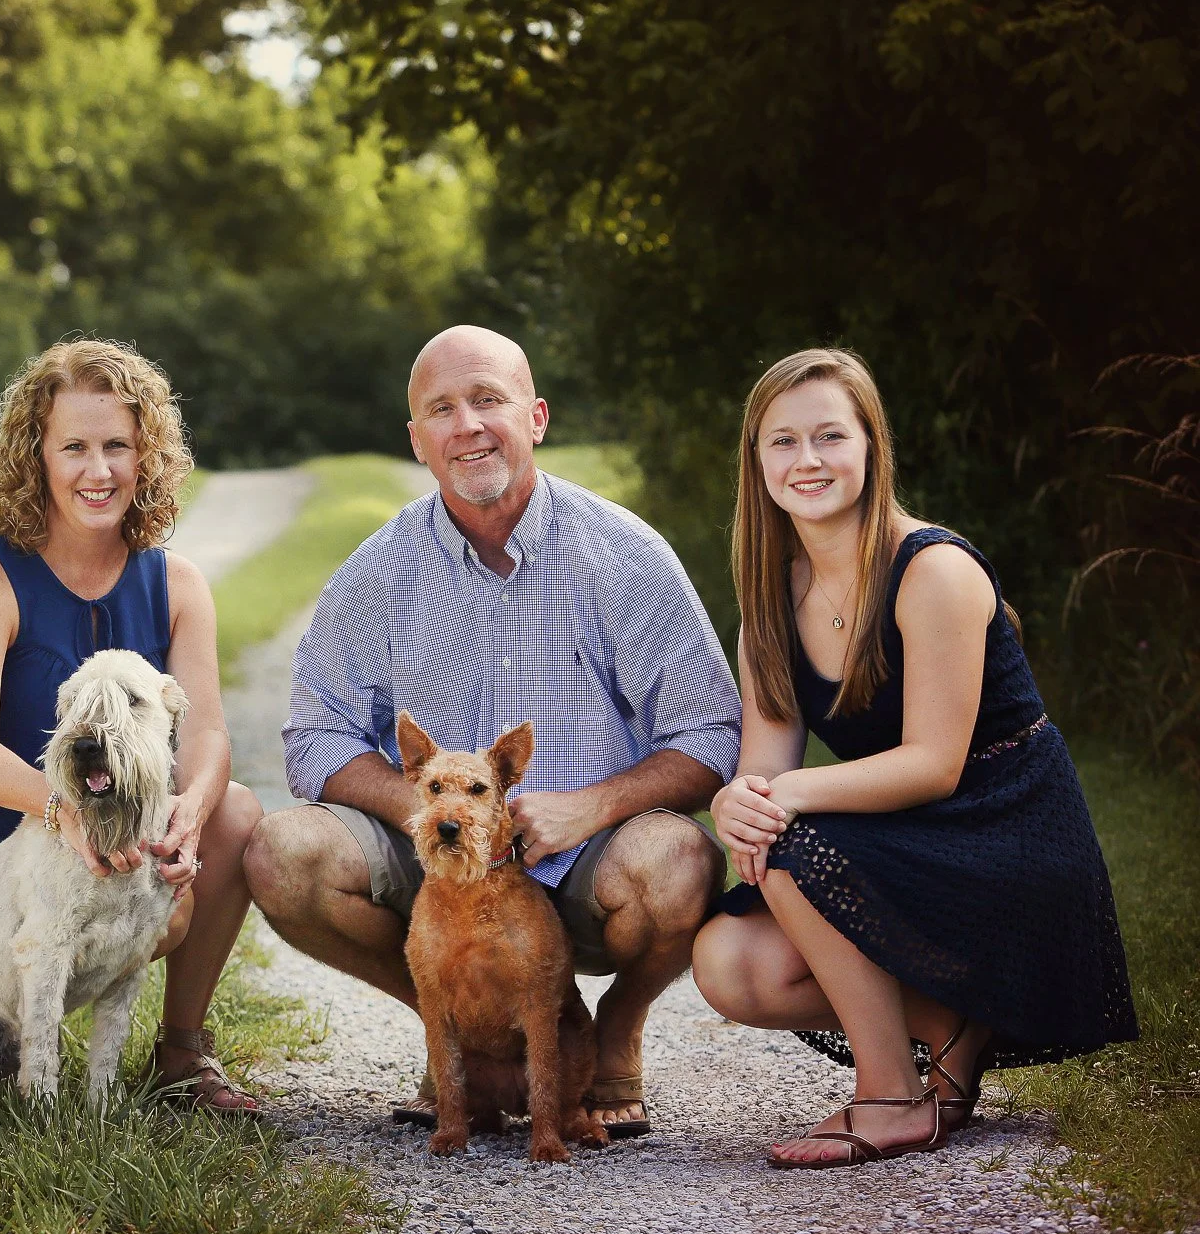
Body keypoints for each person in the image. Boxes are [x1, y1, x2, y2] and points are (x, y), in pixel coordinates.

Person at [244, 324, 741, 1136]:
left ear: (536, 416)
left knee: (680, 863)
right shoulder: (378, 571)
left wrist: (591, 805)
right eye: (441, 408)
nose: (467, 425)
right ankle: (459, 1035)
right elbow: (314, 737)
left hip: (582, 864)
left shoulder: (626, 556)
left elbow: (712, 733)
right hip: (441, 879)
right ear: (417, 440)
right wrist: (428, 802)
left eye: (487, 399)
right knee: (281, 853)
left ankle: (612, 1030)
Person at [690, 347, 1137, 1168]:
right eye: (782, 441)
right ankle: (956, 1020)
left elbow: (934, 762)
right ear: (756, 462)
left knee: (792, 846)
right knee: (729, 960)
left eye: (831, 435)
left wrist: (780, 799)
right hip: (911, 836)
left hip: (1005, 832)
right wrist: (735, 804)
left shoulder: (933, 570)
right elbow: (761, 772)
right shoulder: (768, 609)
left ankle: (892, 1092)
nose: (809, 459)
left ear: (871, 446)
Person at [0, 337, 265, 1111]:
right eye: (74, 447)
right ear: (36, 455)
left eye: (116, 447)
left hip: (107, 836)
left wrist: (189, 818)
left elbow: (205, 735)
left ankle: (180, 1054)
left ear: (148, 456)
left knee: (235, 808)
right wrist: (59, 811)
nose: (97, 471)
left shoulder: (177, 583)